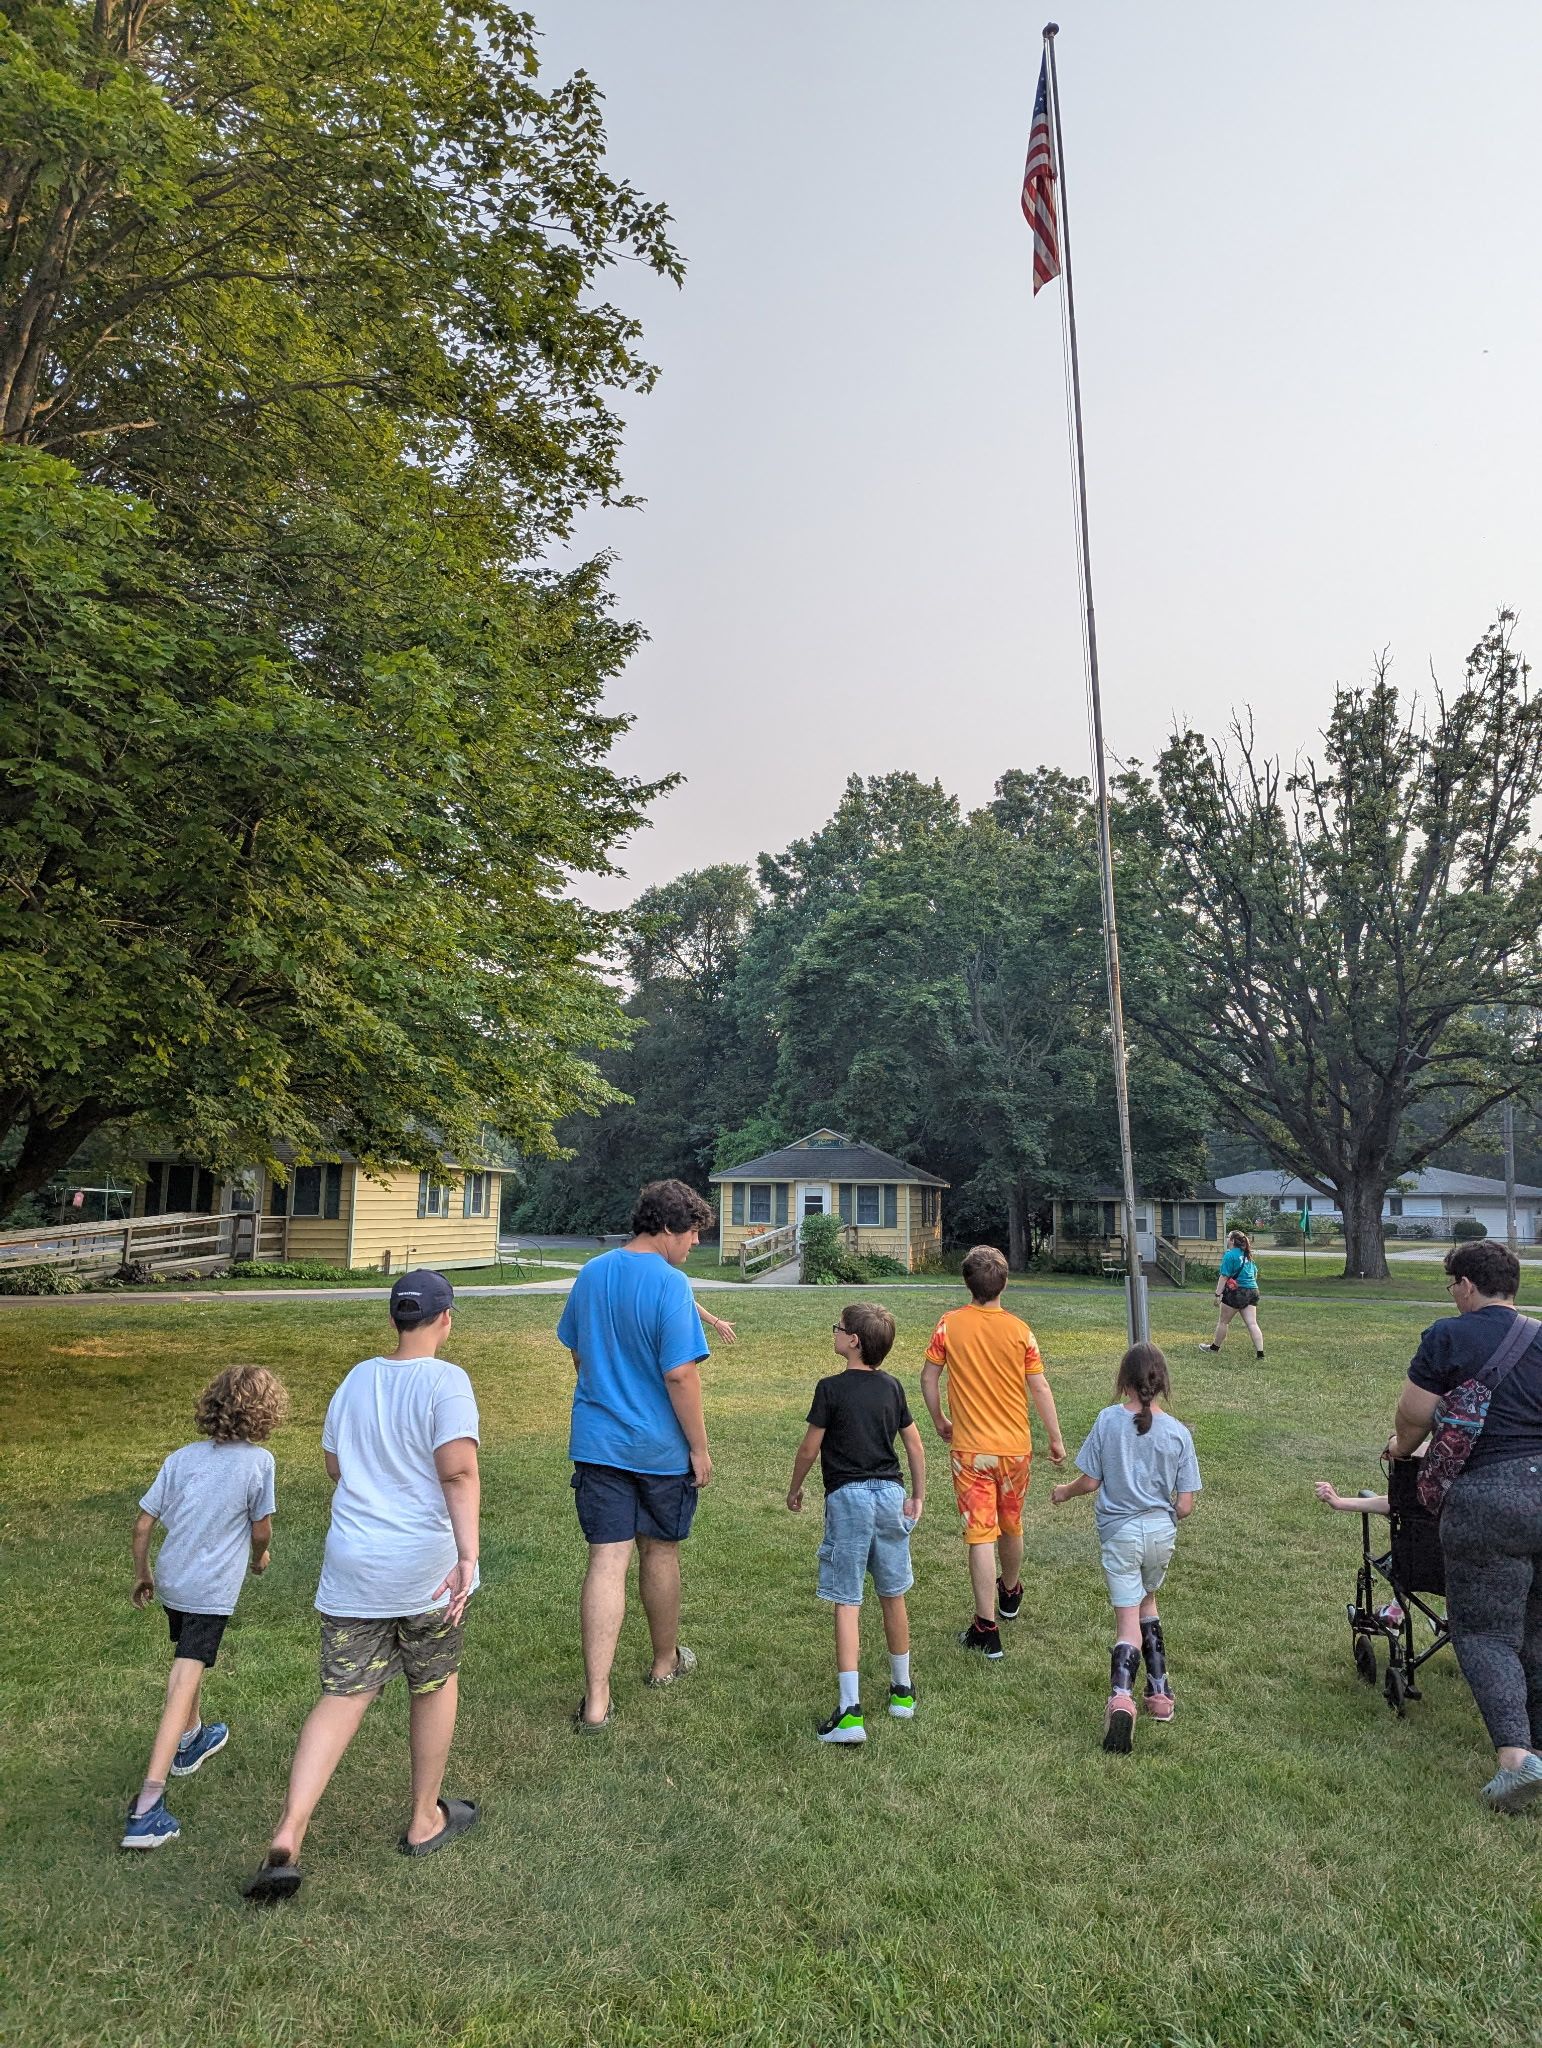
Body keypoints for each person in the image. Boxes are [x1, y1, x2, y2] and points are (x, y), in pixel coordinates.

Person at [244, 1270, 481, 1901]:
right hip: (424, 1570)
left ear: (395, 1319)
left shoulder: (356, 1379)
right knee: (432, 1683)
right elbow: (457, 1473)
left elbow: (334, 1463)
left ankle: (289, 1833)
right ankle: (424, 1818)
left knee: (343, 1694)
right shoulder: (446, 1382)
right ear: (444, 1319)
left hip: (353, 1565)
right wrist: (469, 1555)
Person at [1387, 1238, 1542, 1815]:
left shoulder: (1448, 1336)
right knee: (1536, 1625)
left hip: (1489, 1498)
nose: (1451, 1294)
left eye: (1451, 1283)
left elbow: (1413, 1414)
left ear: (1467, 1286)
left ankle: (1516, 1761)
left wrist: (1403, 1448)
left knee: (1484, 1632)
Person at [559, 1178, 717, 1729]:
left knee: (607, 1560)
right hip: (658, 1448)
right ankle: (662, 1664)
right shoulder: (671, 1284)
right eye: (694, 1232)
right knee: (661, 1552)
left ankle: (597, 1700)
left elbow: (579, 1353)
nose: (695, 1243)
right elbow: (679, 1374)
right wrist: (698, 1447)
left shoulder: (593, 1273)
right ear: (670, 1227)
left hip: (599, 1444)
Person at [123, 1365, 288, 1849]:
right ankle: (147, 1807)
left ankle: (192, 1737)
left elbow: (141, 1526)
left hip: (173, 1581)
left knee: (185, 1655)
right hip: (211, 1590)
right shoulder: (260, 1463)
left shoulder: (182, 1458)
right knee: (185, 1673)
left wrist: (143, 1573)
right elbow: (261, 1529)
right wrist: (260, 1558)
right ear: (265, 1413)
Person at [787, 1303, 926, 1744]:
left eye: (839, 1328)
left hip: (847, 1499)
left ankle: (850, 1712)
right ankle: (901, 1691)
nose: (835, 1332)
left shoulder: (829, 1389)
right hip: (889, 1496)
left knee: (847, 1600)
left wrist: (795, 1487)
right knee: (893, 1592)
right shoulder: (892, 1387)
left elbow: (809, 1449)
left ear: (853, 1342)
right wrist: (917, 1495)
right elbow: (915, 1446)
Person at [1051, 1343, 1201, 1752]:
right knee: (1148, 1603)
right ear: (1163, 1382)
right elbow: (1185, 1505)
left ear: (1124, 1381)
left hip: (1120, 1535)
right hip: (1160, 1536)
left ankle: (1122, 1699)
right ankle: (1161, 1696)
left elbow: (1091, 1481)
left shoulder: (1107, 1421)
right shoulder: (1179, 1434)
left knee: (1126, 1623)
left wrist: (1064, 1492)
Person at [921, 1244, 1065, 1658]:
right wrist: (1054, 1439)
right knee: (1011, 1523)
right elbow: (1039, 1386)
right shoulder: (1021, 1331)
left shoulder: (950, 1325)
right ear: (1004, 1283)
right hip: (1015, 1450)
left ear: (967, 1282)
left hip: (970, 1451)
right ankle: (1010, 1591)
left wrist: (940, 1420)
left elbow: (928, 1378)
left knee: (980, 1534)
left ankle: (986, 1626)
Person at [1199, 1228, 1263, 1360]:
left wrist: (1218, 1295)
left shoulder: (1230, 1255)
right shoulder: (1247, 1254)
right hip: (1253, 1291)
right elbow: (1255, 1273)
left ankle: (1214, 1348)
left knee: (1223, 1321)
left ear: (1232, 1240)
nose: (1227, 1239)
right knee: (1252, 1323)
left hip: (1236, 1292)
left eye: (1228, 1237)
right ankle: (1260, 1353)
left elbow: (1224, 1277)